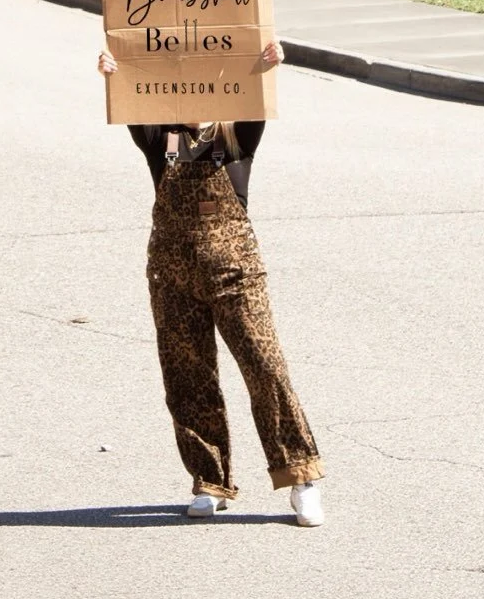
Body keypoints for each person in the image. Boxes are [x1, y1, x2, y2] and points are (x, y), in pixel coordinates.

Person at [98, 39, 324, 526]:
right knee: (187, 375)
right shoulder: (165, 137)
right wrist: (117, 75)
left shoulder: (234, 135)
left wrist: (265, 67)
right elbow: (135, 110)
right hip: (172, 270)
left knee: (265, 367)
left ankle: (300, 475)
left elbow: (256, 99)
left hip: (234, 271)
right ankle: (209, 479)